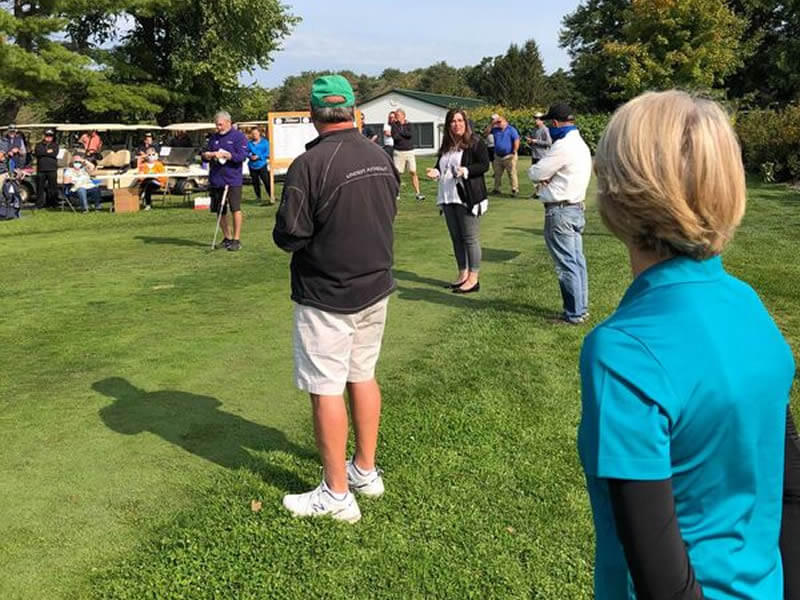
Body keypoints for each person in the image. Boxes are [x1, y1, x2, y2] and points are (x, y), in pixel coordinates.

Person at [581, 89, 798, 600]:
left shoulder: (621, 352)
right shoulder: (748, 306)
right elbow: (790, 485)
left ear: (619, 192)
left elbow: (660, 577)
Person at [273, 74, 400, 523]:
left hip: (328, 292)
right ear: (352, 109)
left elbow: (290, 235)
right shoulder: (380, 155)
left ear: (312, 113)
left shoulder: (309, 165)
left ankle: (337, 493)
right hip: (375, 285)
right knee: (362, 374)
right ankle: (364, 469)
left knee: (325, 387)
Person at [528, 103, 591, 324]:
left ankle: (573, 313)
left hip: (560, 210)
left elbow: (537, 172)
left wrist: (542, 175)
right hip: (575, 207)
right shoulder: (580, 143)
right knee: (576, 261)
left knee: (566, 264)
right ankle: (580, 309)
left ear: (555, 123)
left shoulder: (563, 145)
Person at [425, 108, 489, 294]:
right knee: (456, 238)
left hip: (467, 198)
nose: (457, 124)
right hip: (447, 197)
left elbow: (484, 165)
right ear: (448, 125)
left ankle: (473, 278)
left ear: (466, 122)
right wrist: (435, 171)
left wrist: (466, 171)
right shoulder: (447, 145)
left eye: (460, 120)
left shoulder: (475, 142)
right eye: (453, 121)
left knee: (470, 238)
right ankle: (462, 274)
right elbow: (441, 166)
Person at [202, 111, 248, 251]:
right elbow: (204, 154)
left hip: (232, 179)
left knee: (235, 208)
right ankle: (227, 237)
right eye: (216, 125)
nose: (218, 127)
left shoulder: (238, 137)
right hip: (216, 178)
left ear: (228, 122)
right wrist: (208, 155)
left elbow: (242, 156)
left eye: (220, 124)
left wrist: (228, 155)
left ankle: (236, 239)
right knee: (219, 210)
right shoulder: (213, 137)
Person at [391, 108, 424, 201]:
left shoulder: (410, 124)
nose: (396, 117)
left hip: (409, 151)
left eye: (398, 115)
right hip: (398, 152)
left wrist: (401, 132)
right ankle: (396, 193)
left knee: (413, 171)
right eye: (396, 116)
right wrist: (402, 134)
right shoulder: (394, 125)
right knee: (398, 173)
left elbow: (410, 134)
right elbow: (395, 137)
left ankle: (418, 193)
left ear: (403, 116)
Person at [484, 115, 520, 196]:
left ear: (505, 121)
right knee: (497, 174)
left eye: (499, 122)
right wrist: (491, 124)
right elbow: (485, 134)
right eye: (497, 122)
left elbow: (516, 140)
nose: (498, 124)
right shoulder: (495, 129)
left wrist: (514, 151)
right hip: (498, 156)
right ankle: (496, 189)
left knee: (511, 173)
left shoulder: (511, 130)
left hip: (509, 155)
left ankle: (515, 189)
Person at [34, 129, 60, 208]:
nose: (48, 138)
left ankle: (52, 203)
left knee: (52, 187)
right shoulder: (39, 145)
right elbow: (38, 152)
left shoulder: (55, 145)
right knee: (40, 187)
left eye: (50, 136)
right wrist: (48, 152)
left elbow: (54, 153)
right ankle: (39, 204)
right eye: (47, 136)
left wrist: (45, 152)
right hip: (41, 169)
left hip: (52, 168)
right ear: (44, 136)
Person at [247, 126, 272, 204]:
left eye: (256, 133)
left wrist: (259, 156)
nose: (254, 135)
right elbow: (246, 152)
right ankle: (258, 197)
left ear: (259, 133)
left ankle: (271, 196)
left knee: (267, 181)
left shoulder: (265, 142)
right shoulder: (249, 143)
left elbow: (268, 153)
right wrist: (250, 156)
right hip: (252, 166)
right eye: (253, 134)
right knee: (255, 182)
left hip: (262, 165)